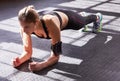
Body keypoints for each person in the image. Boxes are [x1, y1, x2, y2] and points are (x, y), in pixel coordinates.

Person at [12, 5, 102, 71]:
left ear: (35, 22)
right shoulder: (25, 27)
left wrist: (42, 65)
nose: (23, 30)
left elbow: (56, 55)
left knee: (82, 22)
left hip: (67, 18)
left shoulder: (50, 22)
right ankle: (81, 15)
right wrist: (20, 60)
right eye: (22, 26)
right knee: (82, 21)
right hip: (51, 17)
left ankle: (97, 17)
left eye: (26, 27)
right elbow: (27, 52)